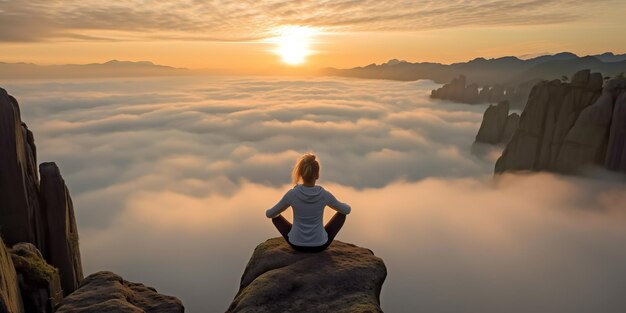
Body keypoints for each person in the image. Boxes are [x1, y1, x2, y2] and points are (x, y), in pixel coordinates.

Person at [266, 153, 351, 252]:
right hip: (319, 246)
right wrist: (344, 205)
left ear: (301, 173)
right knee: (342, 214)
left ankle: (297, 235)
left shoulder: (292, 194)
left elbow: (270, 214)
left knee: (275, 217)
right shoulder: (323, 194)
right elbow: (346, 210)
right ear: (317, 175)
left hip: (296, 244)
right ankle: (317, 236)